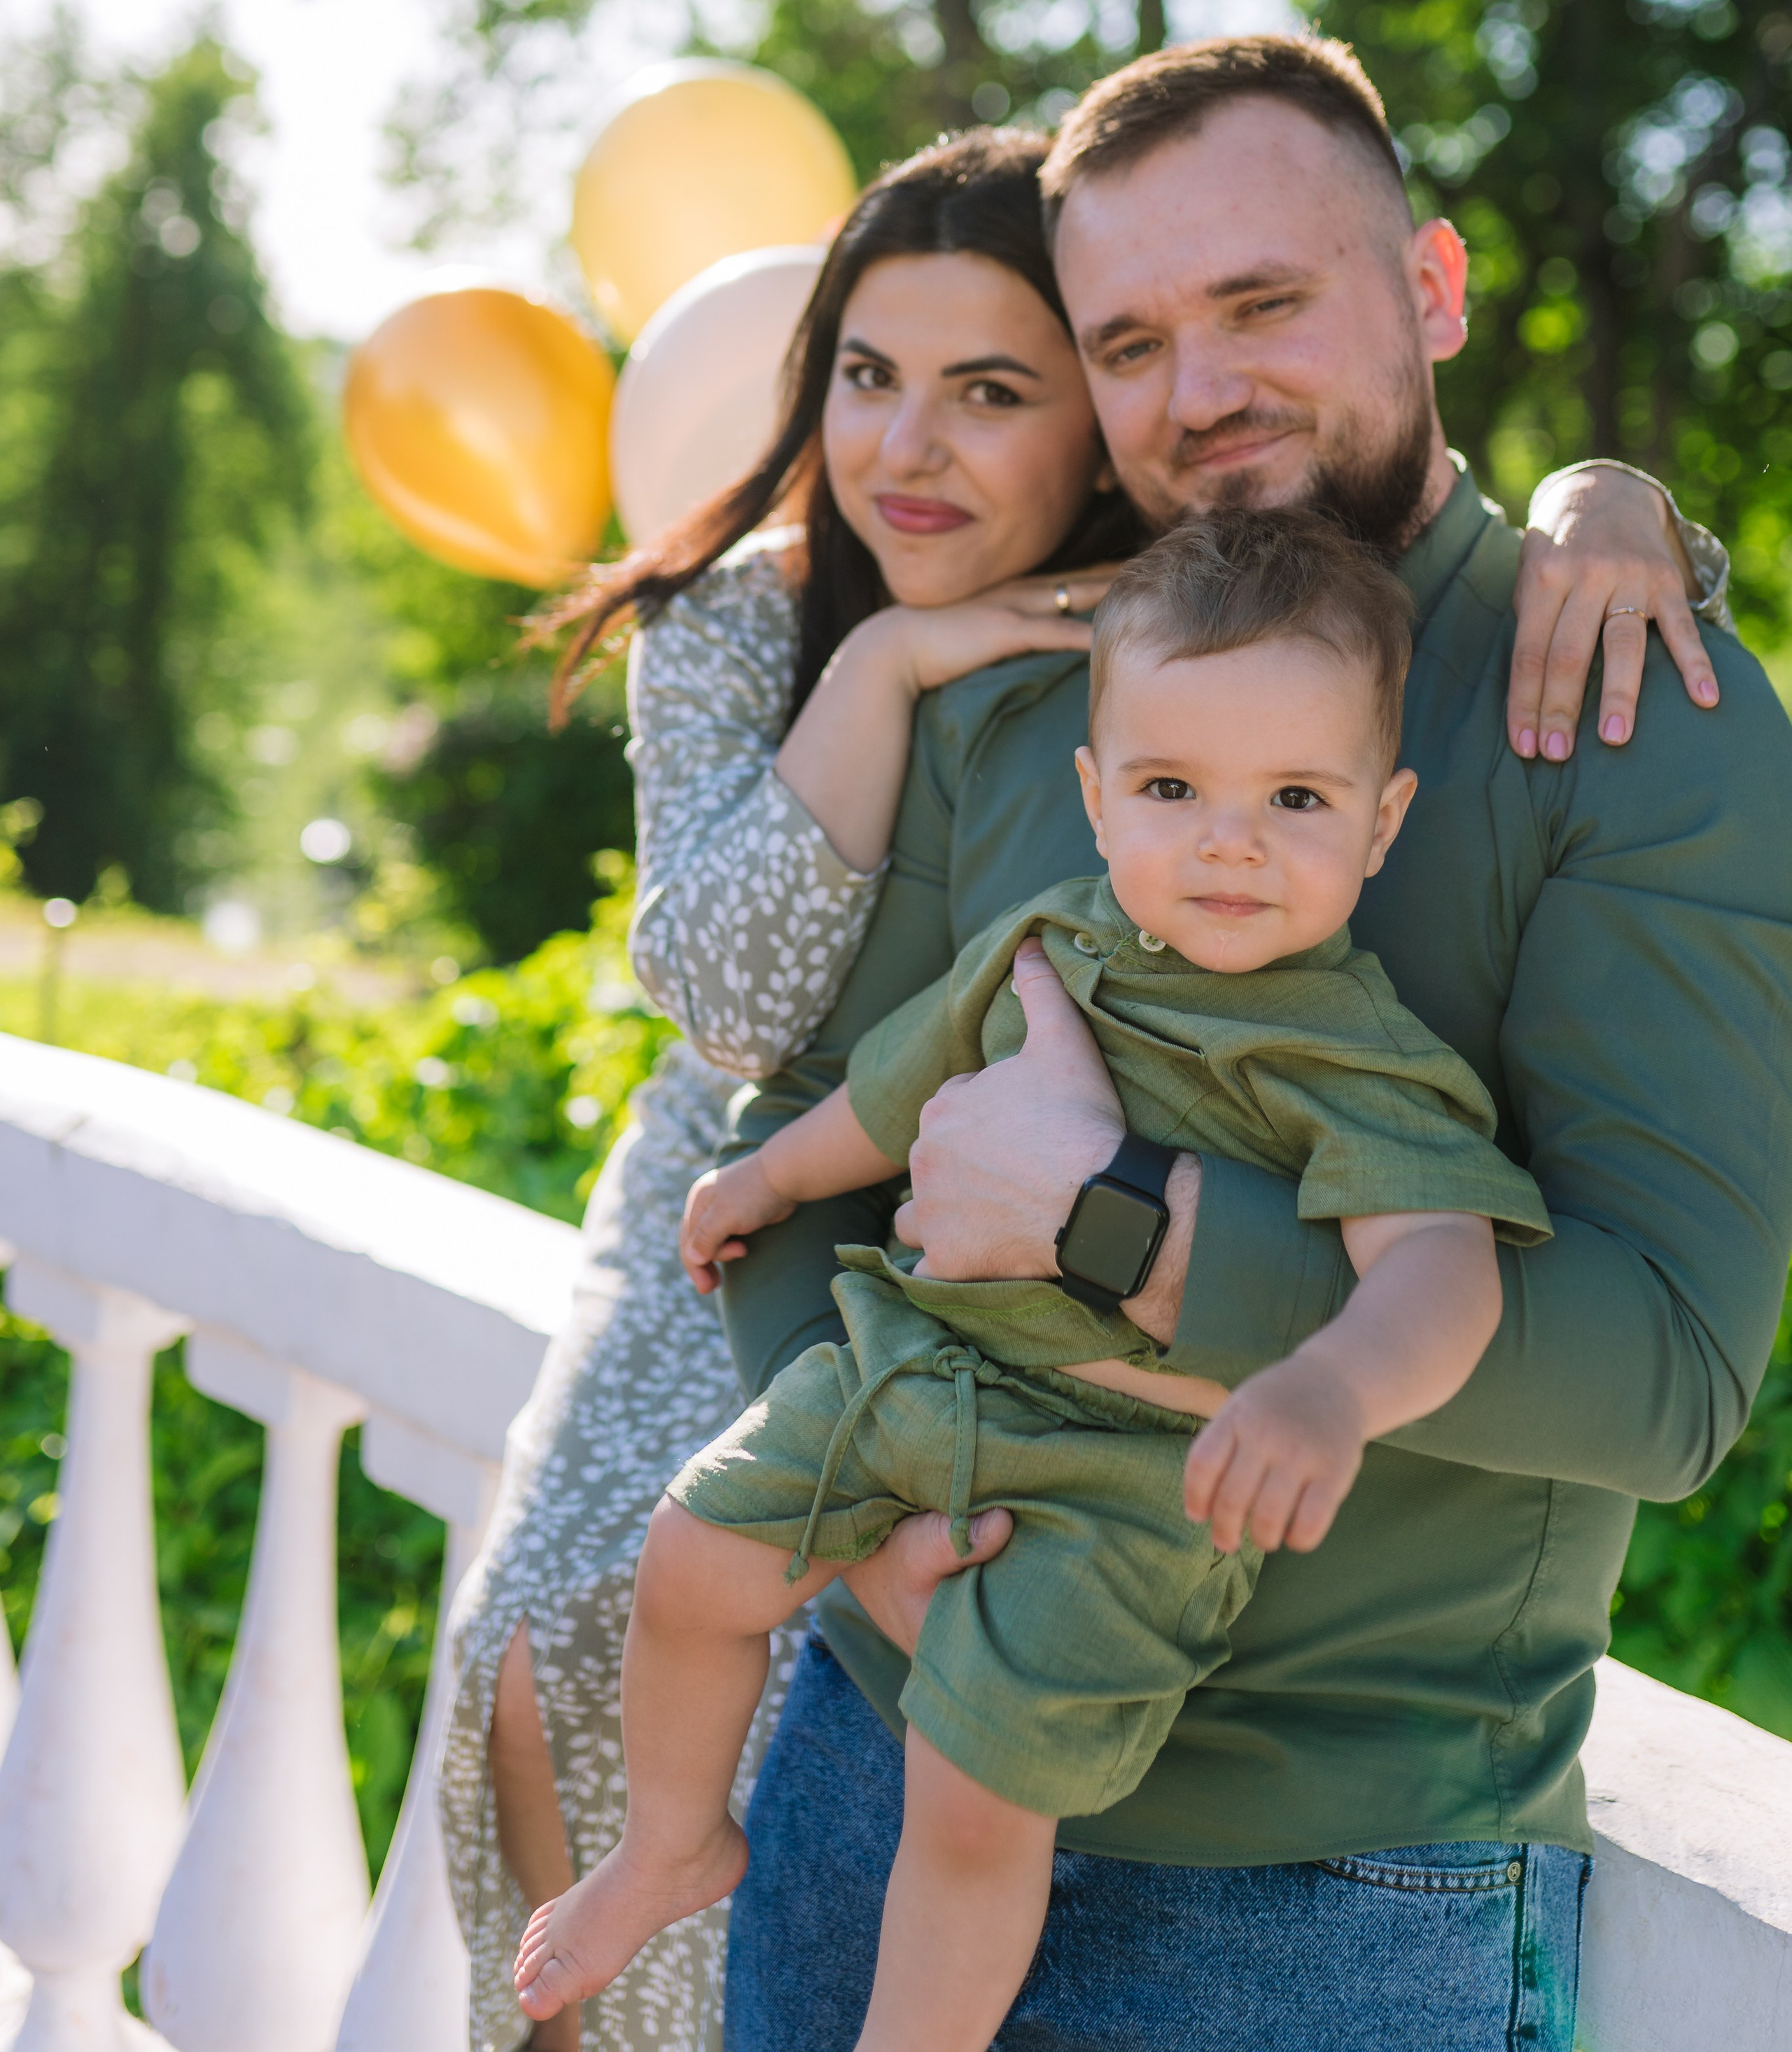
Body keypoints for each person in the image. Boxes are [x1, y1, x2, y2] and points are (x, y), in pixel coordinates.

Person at [440, 105, 1712, 2052]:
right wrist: (867, 1530)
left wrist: (1128, 1226)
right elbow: (809, 1097)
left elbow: (1654, 1365)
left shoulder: (1571, 716)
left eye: (1264, 302)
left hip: (1307, 1852)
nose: (1199, 389)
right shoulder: (1024, 692)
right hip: (865, 1623)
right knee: (580, 1646)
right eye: (1133, 345)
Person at [511, 507, 1558, 2051]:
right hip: (911, 1363)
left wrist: (1328, 1385)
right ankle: (672, 1840)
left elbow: (1443, 1271)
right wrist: (763, 1178)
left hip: (1121, 1483)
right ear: (1094, 793)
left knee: (969, 1797)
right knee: (693, 1559)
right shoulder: (1047, 942)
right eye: (1168, 788)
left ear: (1380, 819)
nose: (1226, 840)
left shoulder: (1355, 1055)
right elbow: (889, 1089)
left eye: (1292, 797)